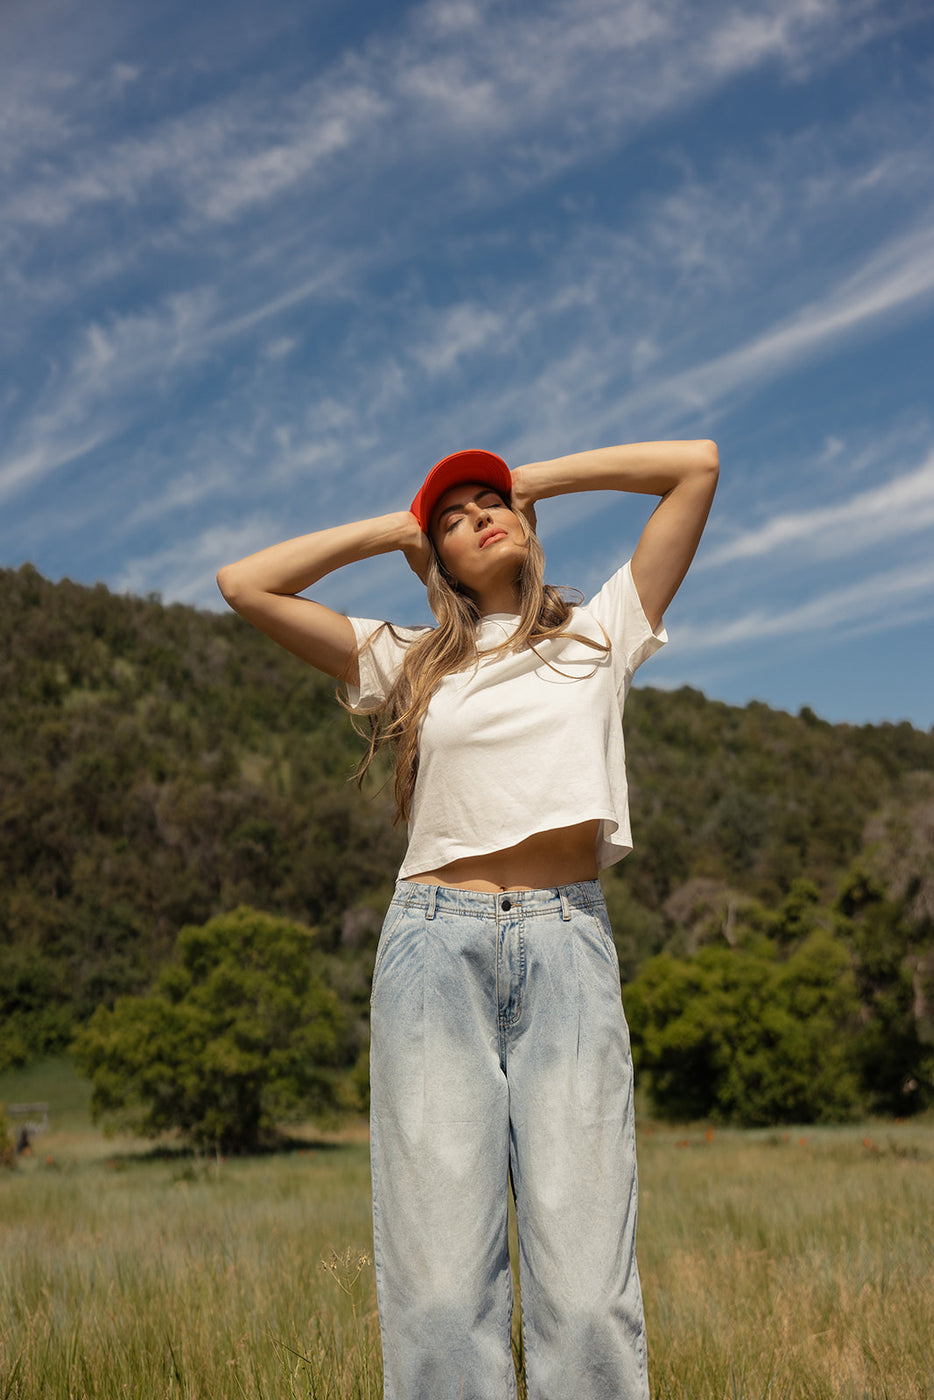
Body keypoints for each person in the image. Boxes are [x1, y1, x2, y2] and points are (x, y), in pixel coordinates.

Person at [216, 440, 718, 1400]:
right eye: (458, 516)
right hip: (433, 952)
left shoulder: (602, 629)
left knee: (584, 1298)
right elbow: (247, 585)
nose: (481, 515)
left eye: (494, 503)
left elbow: (695, 467)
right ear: (435, 558)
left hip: (567, 948)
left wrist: (535, 483)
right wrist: (395, 531)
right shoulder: (407, 660)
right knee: (441, 1297)